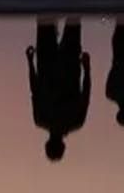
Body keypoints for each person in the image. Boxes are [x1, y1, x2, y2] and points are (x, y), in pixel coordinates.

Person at [28, 19, 91, 161]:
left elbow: (86, 94)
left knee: (72, 19)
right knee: (46, 17)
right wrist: (30, 63)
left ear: (63, 146)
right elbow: (34, 89)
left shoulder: (76, 122)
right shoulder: (40, 119)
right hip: (47, 64)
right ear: (47, 144)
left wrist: (87, 68)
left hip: (70, 65)